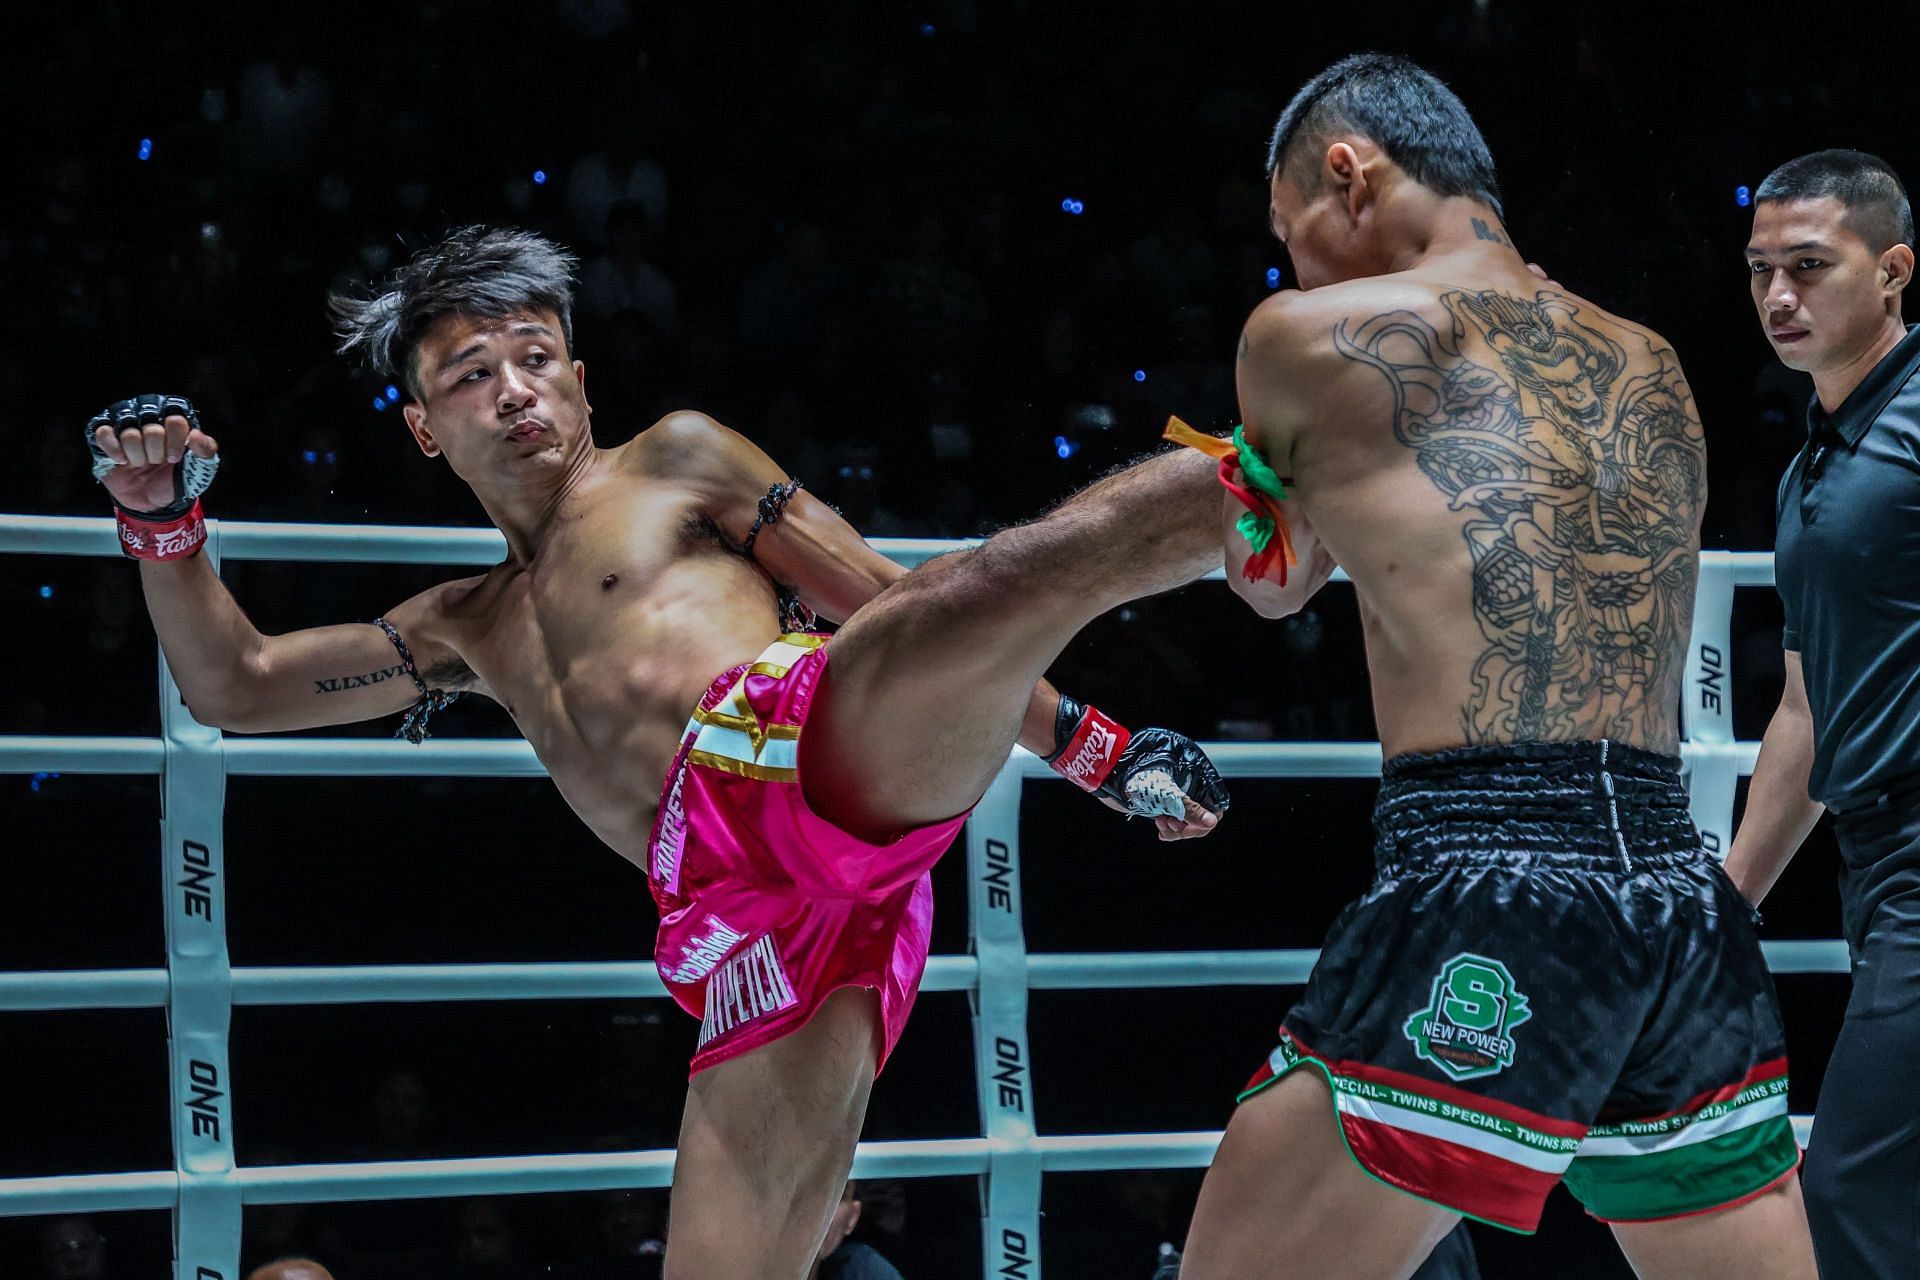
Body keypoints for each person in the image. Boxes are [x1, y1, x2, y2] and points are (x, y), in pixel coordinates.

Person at [84, 226, 1230, 1279]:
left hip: (796, 744)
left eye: (534, 357)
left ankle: (1261, 475)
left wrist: (1100, 750)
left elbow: (893, 598)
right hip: (733, 921)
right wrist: (159, 521)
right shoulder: (466, 625)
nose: (513, 388)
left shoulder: (677, 459)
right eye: (472, 373)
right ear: (426, 428)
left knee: (981, 591)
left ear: (581, 380)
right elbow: (235, 683)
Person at [1171, 54, 1813, 1279]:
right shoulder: (1651, 359)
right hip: (1677, 895)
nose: (1292, 267)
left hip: (1484, 870)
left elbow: (1275, 581)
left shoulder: (1305, 336)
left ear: (1347, 177)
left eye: (1288, 230)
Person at [1723, 147, 1920, 1280]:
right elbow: (1805, 705)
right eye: (1760, 271)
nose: (1779, 296)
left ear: (1893, 270)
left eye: (1809, 264)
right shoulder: (1811, 470)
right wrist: (1730, 897)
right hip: (1873, 857)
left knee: (1853, 1188)